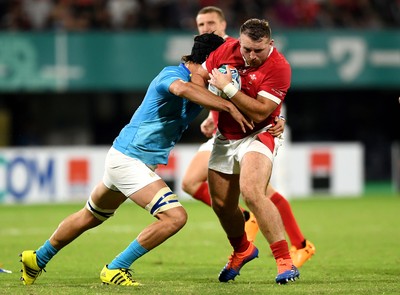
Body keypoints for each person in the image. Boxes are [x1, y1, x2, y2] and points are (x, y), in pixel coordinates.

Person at [19, 32, 253, 286]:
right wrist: (227, 105)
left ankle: (37, 258)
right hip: (129, 160)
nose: (224, 70)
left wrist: (274, 120)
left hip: (127, 159)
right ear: (209, 60)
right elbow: (182, 90)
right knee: (175, 217)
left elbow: (232, 100)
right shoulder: (172, 75)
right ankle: (116, 267)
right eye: (220, 64)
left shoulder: (204, 86)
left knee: (90, 216)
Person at [183, 6, 315, 265]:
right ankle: (249, 222)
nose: (206, 28)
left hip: (251, 130)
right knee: (195, 184)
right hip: (224, 131)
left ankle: (294, 244)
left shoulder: (240, 48)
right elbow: (200, 82)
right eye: (201, 24)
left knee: (255, 190)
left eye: (211, 22)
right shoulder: (208, 50)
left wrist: (277, 117)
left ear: (223, 25)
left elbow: (257, 100)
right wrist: (213, 112)